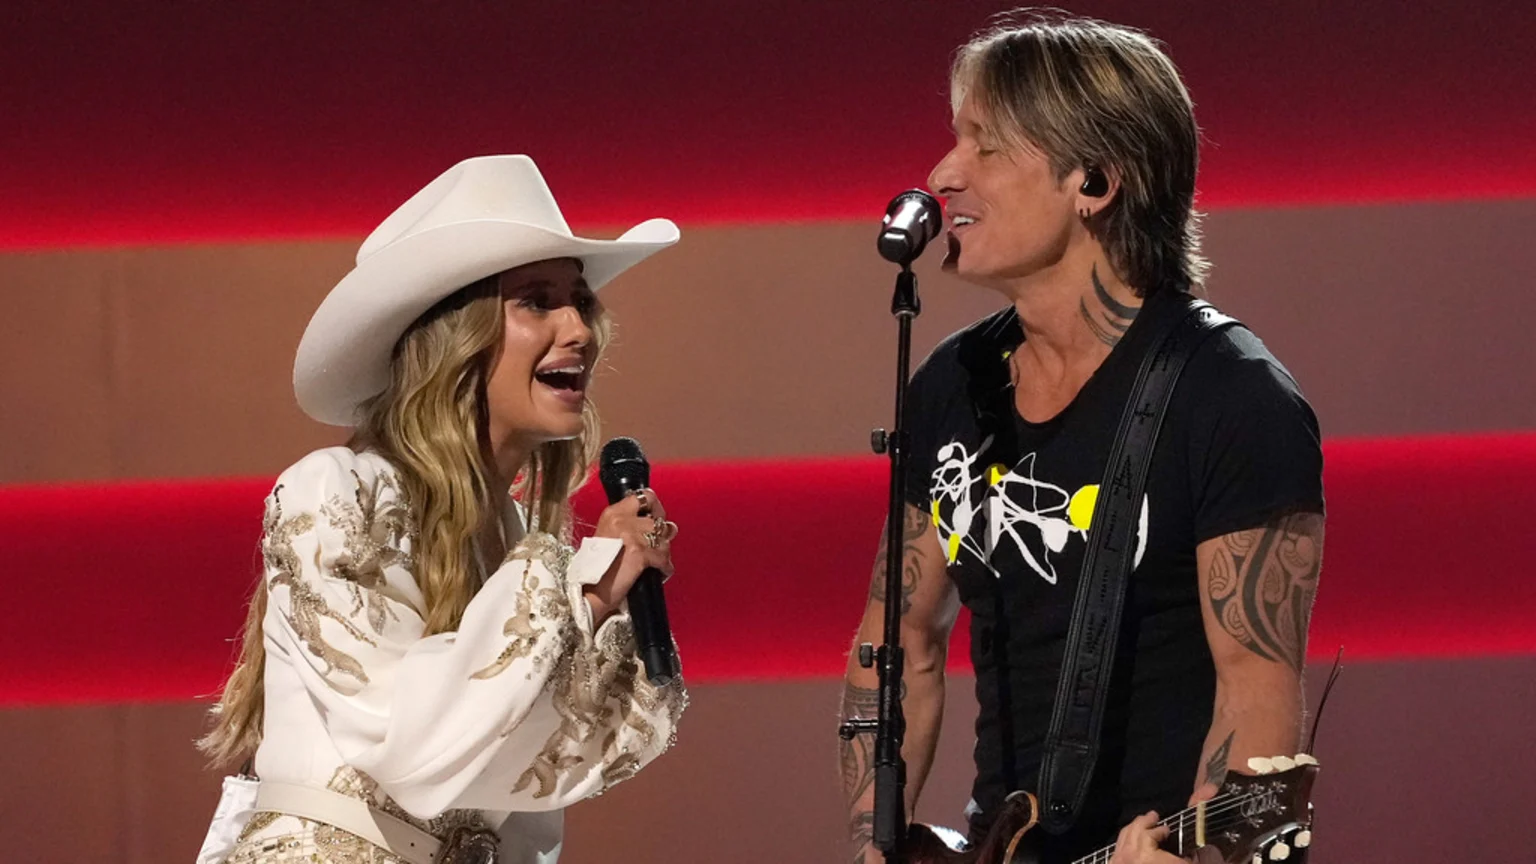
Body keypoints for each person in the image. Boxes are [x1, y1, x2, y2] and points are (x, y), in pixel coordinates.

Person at [840, 13, 1324, 864]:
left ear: (1093, 181)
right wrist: (874, 841)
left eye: (984, 146)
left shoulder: (1232, 397)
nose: (943, 173)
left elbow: (1255, 699)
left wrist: (1199, 849)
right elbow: (898, 643)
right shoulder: (954, 384)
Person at [195, 154, 688, 864]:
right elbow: (411, 738)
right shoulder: (335, 492)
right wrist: (586, 585)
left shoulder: (518, 544)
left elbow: (532, 776)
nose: (579, 329)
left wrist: (608, 613)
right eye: (536, 300)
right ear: (455, 339)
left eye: (579, 300)